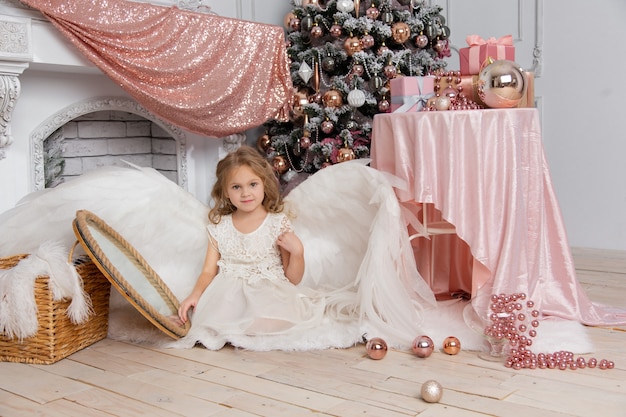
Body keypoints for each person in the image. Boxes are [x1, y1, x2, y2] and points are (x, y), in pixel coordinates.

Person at [174, 146, 326, 350]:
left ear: (264, 184)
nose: (246, 193)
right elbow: (209, 271)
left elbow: (292, 279)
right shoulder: (220, 227)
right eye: (236, 187)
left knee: (270, 320)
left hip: (269, 292)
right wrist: (195, 295)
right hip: (229, 293)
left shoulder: (276, 223)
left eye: (252, 184)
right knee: (214, 322)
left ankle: (254, 325)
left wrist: (298, 252)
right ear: (225, 192)